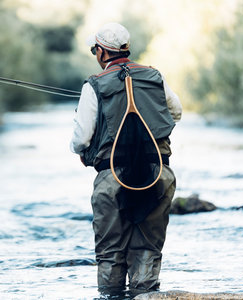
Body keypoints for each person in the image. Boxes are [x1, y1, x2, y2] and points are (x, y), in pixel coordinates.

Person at [70, 23, 182, 294]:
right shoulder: (155, 76)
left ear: (101, 52)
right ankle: (146, 296)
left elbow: (80, 139)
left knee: (110, 252)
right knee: (148, 248)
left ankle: (111, 296)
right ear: (125, 49)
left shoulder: (94, 85)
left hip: (112, 177)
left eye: (94, 49)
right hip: (158, 174)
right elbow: (175, 113)